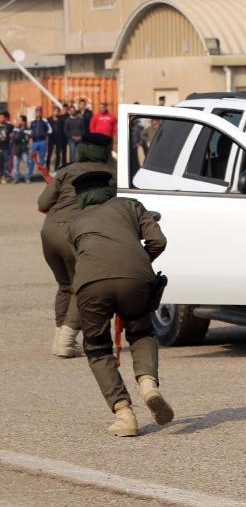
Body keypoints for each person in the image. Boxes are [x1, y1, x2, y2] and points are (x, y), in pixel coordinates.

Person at [67, 170, 170, 437]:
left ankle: (124, 415)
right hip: (136, 279)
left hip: (91, 285)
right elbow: (158, 241)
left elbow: (81, 259)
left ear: (81, 197)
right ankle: (148, 385)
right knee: (141, 332)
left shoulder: (75, 223)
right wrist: (140, 262)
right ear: (108, 189)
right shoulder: (131, 205)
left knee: (98, 348)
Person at [37, 133, 117, 358]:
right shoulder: (111, 171)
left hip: (49, 231)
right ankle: (67, 340)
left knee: (66, 286)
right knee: (85, 288)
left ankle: (59, 339)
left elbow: (43, 203)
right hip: (77, 233)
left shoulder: (66, 170)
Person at [28, 107, 52, 182]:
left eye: (39, 112)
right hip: (34, 142)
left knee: (41, 160)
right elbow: (30, 132)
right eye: (37, 112)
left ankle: (42, 176)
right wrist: (30, 142)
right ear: (35, 113)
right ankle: (29, 176)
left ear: (41, 113)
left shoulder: (44, 121)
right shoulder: (32, 122)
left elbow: (50, 130)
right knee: (32, 159)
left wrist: (44, 135)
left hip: (42, 142)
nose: (38, 113)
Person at [10, 115, 30, 183]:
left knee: (27, 163)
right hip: (17, 149)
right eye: (19, 120)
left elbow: (28, 137)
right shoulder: (16, 128)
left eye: (20, 120)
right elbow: (14, 138)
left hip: (24, 148)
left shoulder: (27, 129)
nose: (19, 121)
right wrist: (21, 133)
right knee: (16, 164)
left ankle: (27, 178)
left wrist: (21, 133)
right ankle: (16, 178)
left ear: (24, 121)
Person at [0, 112, 11, 183]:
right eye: (0, 117)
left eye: (2, 117)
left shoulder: (8, 126)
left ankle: (5, 177)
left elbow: (14, 130)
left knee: (6, 163)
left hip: (6, 147)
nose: (1, 118)